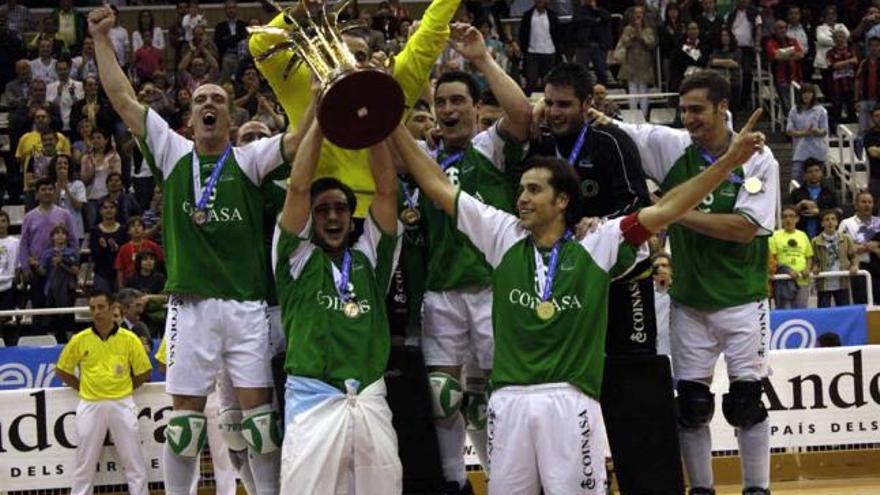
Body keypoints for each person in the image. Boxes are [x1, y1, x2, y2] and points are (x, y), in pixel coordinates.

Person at [390, 101, 766, 494]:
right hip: (507, 402)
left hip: (570, 403)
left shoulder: (598, 242)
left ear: (562, 200)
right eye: (521, 190)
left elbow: (669, 207)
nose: (521, 199)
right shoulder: (501, 234)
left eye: (534, 190)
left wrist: (729, 161)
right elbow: (437, 186)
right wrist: (392, 123)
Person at [89, 6, 303, 493]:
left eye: (218, 99)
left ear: (230, 115)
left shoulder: (249, 159)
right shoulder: (172, 152)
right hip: (191, 308)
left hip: (246, 306)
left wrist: (323, 87)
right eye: (201, 98)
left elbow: (298, 139)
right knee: (185, 426)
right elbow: (122, 99)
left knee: (261, 424)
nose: (210, 103)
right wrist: (101, 39)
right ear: (190, 115)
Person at [597, 70, 779, 495]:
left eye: (697, 109)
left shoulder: (758, 158)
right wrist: (593, 109)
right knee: (692, 407)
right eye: (683, 110)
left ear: (722, 108)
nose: (689, 118)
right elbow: (619, 129)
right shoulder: (674, 146)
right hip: (689, 302)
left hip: (742, 300)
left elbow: (743, 228)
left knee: (746, 404)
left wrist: (672, 210)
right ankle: (701, 490)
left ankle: (757, 489)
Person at [531, 61, 683, 493]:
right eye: (549, 103)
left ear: (586, 104)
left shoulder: (611, 140)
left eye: (565, 104)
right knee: (568, 381)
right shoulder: (540, 145)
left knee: (633, 378)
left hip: (623, 277)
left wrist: (602, 222)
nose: (555, 112)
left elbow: (638, 202)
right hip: (565, 283)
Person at [412, 24, 533, 491]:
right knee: (442, 397)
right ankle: (453, 482)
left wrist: (482, 59)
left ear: (476, 107)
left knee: (493, 399)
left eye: (458, 101)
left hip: (491, 289)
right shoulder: (424, 157)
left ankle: (503, 480)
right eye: (440, 103)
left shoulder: (490, 147)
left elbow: (521, 113)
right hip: (440, 292)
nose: (448, 110)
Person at [274, 106, 403, 491]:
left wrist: (373, 122)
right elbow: (298, 188)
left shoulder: (370, 260)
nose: (333, 217)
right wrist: (321, 115)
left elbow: (386, 189)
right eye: (322, 210)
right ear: (310, 218)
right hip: (313, 402)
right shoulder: (295, 259)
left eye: (341, 209)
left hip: (369, 397)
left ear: (351, 216)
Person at [249, 0, 460, 220]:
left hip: (375, 214)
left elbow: (430, 34)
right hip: (312, 209)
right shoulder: (302, 80)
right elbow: (260, 44)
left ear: (370, 60)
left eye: (358, 57)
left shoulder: (388, 84)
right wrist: (301, 10)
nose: (347, 63)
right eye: (337, 53)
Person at [55, 290, 152, 495]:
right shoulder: (80, 339)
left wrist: (126, 387)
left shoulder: (129, 338)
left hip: (122, 403)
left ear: (112, 308)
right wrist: (82, 387)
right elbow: (62, 370)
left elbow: (144, 372)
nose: (96, 312)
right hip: (90, 404)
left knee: (133, 459)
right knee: (84, 461)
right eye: (92, 308)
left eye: (101, 307)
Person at [19, 177, 78, 337]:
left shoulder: (64, 214)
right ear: (37, 193)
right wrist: (25, 267)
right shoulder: (29, 216)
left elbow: (73, 241)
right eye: (43, 189)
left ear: (55, 191)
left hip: (61, 270)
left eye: (50, 189)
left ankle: (63, 342)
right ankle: (40, 340)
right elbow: (24, 244)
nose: (47, 192)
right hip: (38, 269)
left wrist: (71, 261)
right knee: (39, 308)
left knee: (62, 308)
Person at [37, 224, 79, 341]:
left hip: (68, 288)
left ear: (67, 236)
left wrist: (62, 262)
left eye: (63, 233)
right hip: (51, 289)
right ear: (52, 237)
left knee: (68, 317)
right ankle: (51, 342)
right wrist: (36, 266)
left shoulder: (72, 252)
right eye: (57, 233)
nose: (60, 236)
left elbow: (76, 270)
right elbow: (42, 272)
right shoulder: (47, 253)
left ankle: (71, 341)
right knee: (51, 318)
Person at [838, 190, 880, 304]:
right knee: (862, 304)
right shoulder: (847, 223)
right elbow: (841, 246)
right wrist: (867, 247)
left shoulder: (879, 222)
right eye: (863, 202)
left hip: (878, 268)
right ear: (856, 205)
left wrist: (876, 245)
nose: (867, 205)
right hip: (858, 268)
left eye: (870, 202)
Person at [812, 209, 859, 307]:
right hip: (824, 282)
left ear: (837, 222)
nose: (830, 222)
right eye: (827, 219)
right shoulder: (815, 241)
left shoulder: (846, 238)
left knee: (844, 310)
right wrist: (815, 267)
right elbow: (814, 259)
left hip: (842, 281)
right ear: (822, 223)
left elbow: (854, 256)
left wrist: (854, 266)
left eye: (833, 219)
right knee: (823, 311)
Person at [770, 206, 813, 309]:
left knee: (801, 313)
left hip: (802, 280)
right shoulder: (775, 236)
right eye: (785, 217)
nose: (788, 219)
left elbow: (809, 256)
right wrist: (787, 271)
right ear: (781, 220)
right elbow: (772, 259)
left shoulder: (803, 235)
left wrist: (807, 269)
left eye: (791, 216)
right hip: (783, 281)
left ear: (797, 219)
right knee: (784, 313)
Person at [617, 6, 657, 117]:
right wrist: (632, 36)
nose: (638, 15)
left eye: (640, 13)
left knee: (643, 91)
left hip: (644, 64)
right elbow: (624, 43)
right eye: (636, 13)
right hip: (631, 64)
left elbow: (651, 44)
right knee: (632, 91)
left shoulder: (648, 30)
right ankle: (633, 115)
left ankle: (644, 115)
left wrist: (640, 34)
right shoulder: (628, 29)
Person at [80, 127, 122, 231]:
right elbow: (84, 180)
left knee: (110, 226)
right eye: (93, 138)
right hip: (91, 197)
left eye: (99, 138)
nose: (95, 140)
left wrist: (110, 167)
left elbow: (117, 177)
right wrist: (92, 168)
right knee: (93, 227)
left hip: (109, 197)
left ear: (106, 140)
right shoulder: (86, 158)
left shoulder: (114, 157)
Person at [785, 83, 828, 183]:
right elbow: (789, 131)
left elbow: (824, 131)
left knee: (818, 181)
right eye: (804, 93)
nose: (806, 95)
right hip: (800, 152)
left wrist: (816, 131)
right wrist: (805, 133)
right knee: (796, 179)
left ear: (813, 94)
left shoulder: (820, 110)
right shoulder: (794, 110)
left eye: (809, 93)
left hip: (817, 151)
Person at [517, 0, 561, 95]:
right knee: (531, 80)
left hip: (549, 52)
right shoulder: (527, 15)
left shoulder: (552, 15)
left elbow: (557, 33)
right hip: (532, 53)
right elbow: (522, 34)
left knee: (548, 82)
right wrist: (522, 48)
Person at [788, 158, 837, 239]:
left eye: (817, 170)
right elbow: (788, 212)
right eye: (810, 171)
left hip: (824, 236)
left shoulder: (829, 193)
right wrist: (800, 205)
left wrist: (819, 213)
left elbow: (837, 213)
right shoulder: (797, 193)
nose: (814, 174)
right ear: (805, 174)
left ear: (821, 173)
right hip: (801, 235)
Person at [766, 19, 805, 115]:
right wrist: (792, 54)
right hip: (781, 78)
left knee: (802, 104)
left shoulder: (792, 40)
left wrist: (784, 55)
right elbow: (776, 56)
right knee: (788, 107)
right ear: (775, 30)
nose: (783, 30)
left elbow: (801, 55)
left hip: (796, 77)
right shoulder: (771, 42)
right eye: (780, 28)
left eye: (784, 28)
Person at [114, 216, 163, 289]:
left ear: (144, 229)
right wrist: (120, 287)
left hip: (150, 282)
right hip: (130, 284)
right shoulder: (123, 248)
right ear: (128, 231)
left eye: (139, 226)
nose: (136, 228)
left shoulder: (152, 245)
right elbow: (120, 270)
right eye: (133, 226)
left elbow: (162, 261)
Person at [825, 29, 858, 130]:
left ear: (845, 38)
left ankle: (853, 131)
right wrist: (849, 61)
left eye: (841, 36)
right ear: (834, 39)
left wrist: (841, 63)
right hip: (836, 86)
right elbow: (833, 66)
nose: (839, 39)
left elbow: (856, 61)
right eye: (837, 37)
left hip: (850, 85)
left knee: (852, 109)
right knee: (837, 110)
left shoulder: (851, 50)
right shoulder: (830, 52)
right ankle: (836, 131)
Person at [49, 154, 86, 241]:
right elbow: (52, 206)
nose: (62, 165)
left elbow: (79, 206)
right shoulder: (50, 186)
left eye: (65, 163)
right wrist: (59, 184)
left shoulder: (78, 184)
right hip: (57, 229)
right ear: (54, 167)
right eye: (59, 163)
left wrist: (66, 188)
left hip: (75, 228)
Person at [0, 211, 20, 347]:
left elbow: (18, 265)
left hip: (8, 285)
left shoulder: (15, 242)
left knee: (6, 319)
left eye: (3, 221)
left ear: (8, 223)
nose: (0, 224)